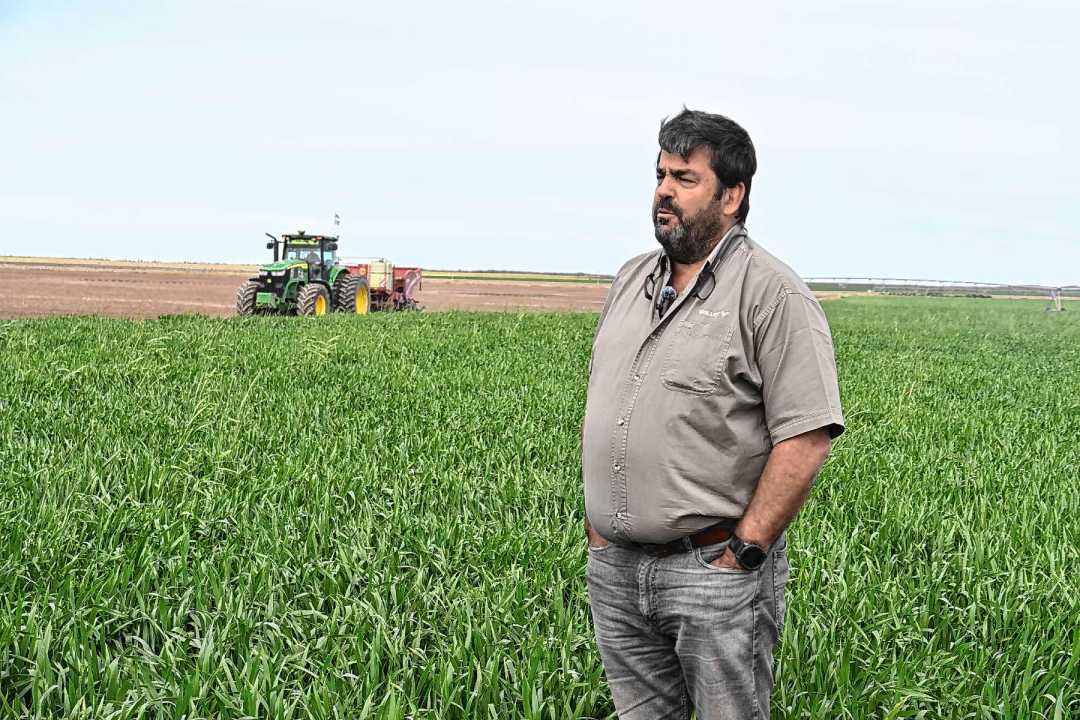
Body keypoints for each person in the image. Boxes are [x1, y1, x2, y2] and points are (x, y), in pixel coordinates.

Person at [582, 108, 845, 719]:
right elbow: (606, 404)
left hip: (712, 573)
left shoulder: (773, 294)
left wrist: (743, 554)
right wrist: (599, 533)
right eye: (660, 175)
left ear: (732, 195)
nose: (664, 191)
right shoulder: (630, 282)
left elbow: (807, 436)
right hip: (617, 570)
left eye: (685, 178)